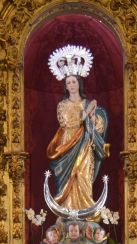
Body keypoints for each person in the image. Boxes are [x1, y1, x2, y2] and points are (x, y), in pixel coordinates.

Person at [46, 73, 108, 212]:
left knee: (83, 175)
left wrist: (92, 116)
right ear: (66, 87)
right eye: (68, 83)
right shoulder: (62, 105)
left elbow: (99, 127)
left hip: (85, 144)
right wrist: (84, 115)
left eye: (74, 82)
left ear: (79, 84)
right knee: (69, 177)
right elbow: (65, 123)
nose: (72, 85)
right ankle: (67, 210)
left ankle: (85, 210)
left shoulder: (87, 103)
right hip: (68, 144)